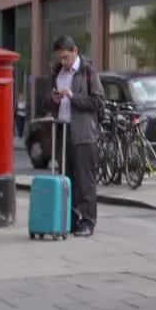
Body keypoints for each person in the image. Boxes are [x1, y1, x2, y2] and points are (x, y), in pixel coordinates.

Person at [48, 36, 105, 236]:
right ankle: (70, 220)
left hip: (84, 134)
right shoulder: (56, 72)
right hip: (62, 131)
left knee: (84, 181)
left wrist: (73, 97)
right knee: (67, 179)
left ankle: (87, 221)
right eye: (59, 58)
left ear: (75, 51)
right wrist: (54, 100)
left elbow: (97, 103)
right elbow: (50, 105)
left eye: (65, 57)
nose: (62, 62)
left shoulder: (88, 72)